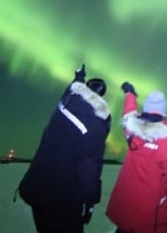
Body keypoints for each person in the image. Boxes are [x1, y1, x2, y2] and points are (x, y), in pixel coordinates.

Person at [18, 64, 111, 233]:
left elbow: (71, 90)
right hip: (63, 199)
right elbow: (89, 168)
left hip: (37, 187)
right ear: (102, 96)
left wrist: (79, 77)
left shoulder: (65, 103)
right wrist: (90, 202)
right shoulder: (96, 124)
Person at [105, 82, 167, 233]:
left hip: (128, 192)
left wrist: (130, 95)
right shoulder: (166, 138)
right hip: (150, 196)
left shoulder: (131, 128)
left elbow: (128, 112)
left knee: (126, 223)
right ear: (162, 109)